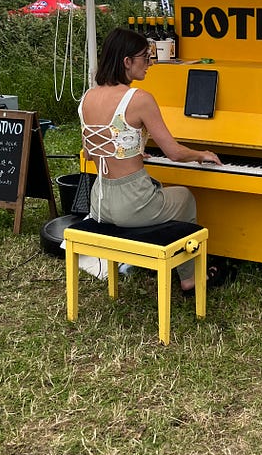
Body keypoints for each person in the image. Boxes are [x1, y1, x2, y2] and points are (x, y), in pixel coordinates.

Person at [78, 28, 222, 294]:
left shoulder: (87, 98)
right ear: (127, 62)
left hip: (100, 203)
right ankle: (189, 278)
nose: (151, 63)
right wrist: (202, 154)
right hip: (132, 204)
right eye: (145, 57)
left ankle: (152, 258)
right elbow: (174, 153)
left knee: (162, 193)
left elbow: (90, 152)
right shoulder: (140, 99)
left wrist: (131, 151)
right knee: (186, 197)